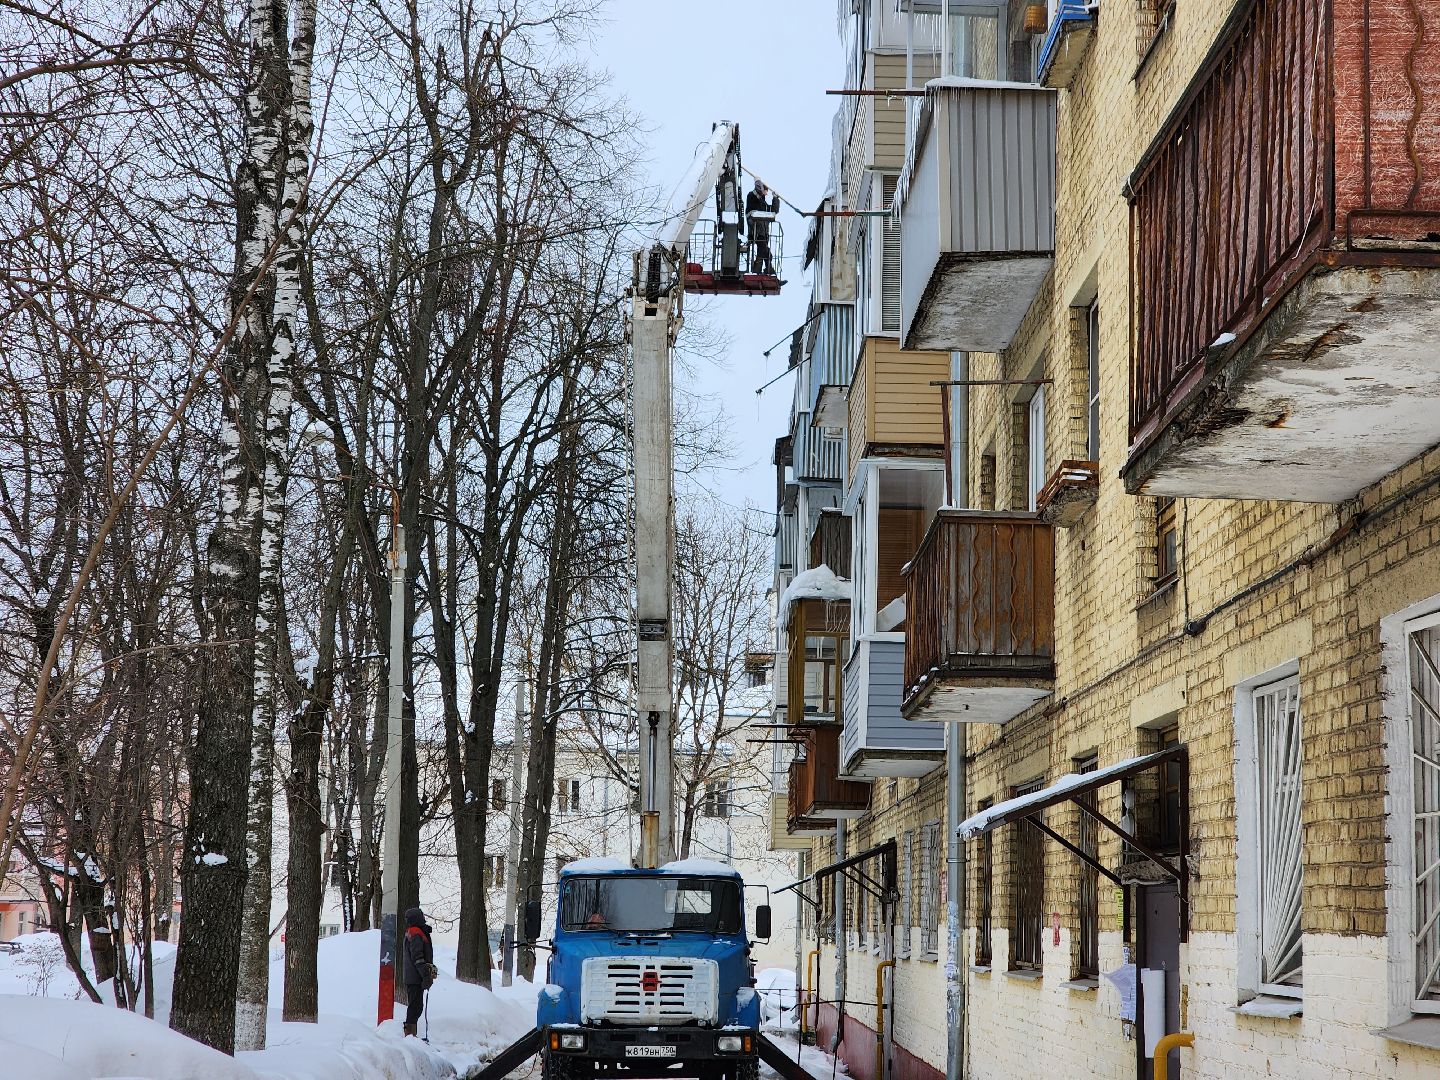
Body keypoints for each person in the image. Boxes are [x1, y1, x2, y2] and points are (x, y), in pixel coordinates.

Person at [402, 906, 437, 1038]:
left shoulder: (414, 932)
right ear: (417, 918)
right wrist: (425, 975)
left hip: (414, 976)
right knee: (415, 1007)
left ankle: (411, 1035)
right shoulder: (416, 933)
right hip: (415, 977)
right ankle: (409, 1036)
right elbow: (418, 958)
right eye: (421, 916)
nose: (423, 918)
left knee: (416, 1006)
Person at [746, 178, 780, 276]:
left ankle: (761, 271)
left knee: (765, 251)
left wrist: (775, 199)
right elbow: (756, 192)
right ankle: (763, 271)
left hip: (764, 233)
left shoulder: (764, 205)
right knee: (765, 251)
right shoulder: (752, 197)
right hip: (755, 231)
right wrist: (758, 182)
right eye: (766, 191)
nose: (766, 194)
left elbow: (774, 211)